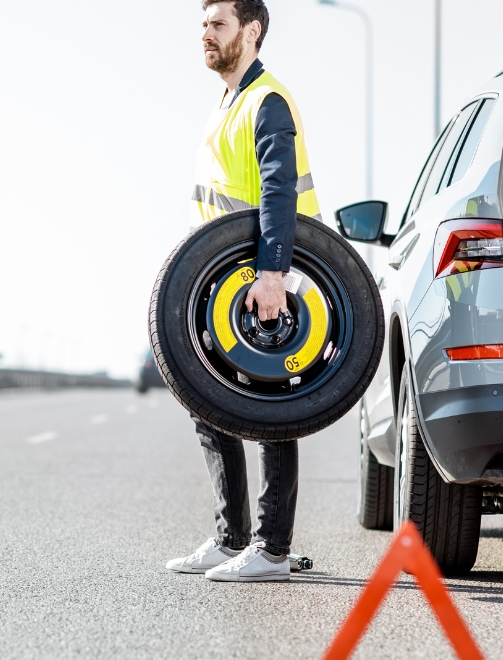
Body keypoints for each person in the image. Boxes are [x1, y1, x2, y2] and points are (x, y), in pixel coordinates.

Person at [166, 0, 319, 583]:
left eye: (218, 24)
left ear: (250, 33)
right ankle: (231, 537)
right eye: (203, 24)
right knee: (211, 405)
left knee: (269, 409)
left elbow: (279, 190)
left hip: (268, 284)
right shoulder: (227, 101)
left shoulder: (267, 100)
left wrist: (273, 274)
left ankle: (272, 549)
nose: (205, 33)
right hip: (220, 281)